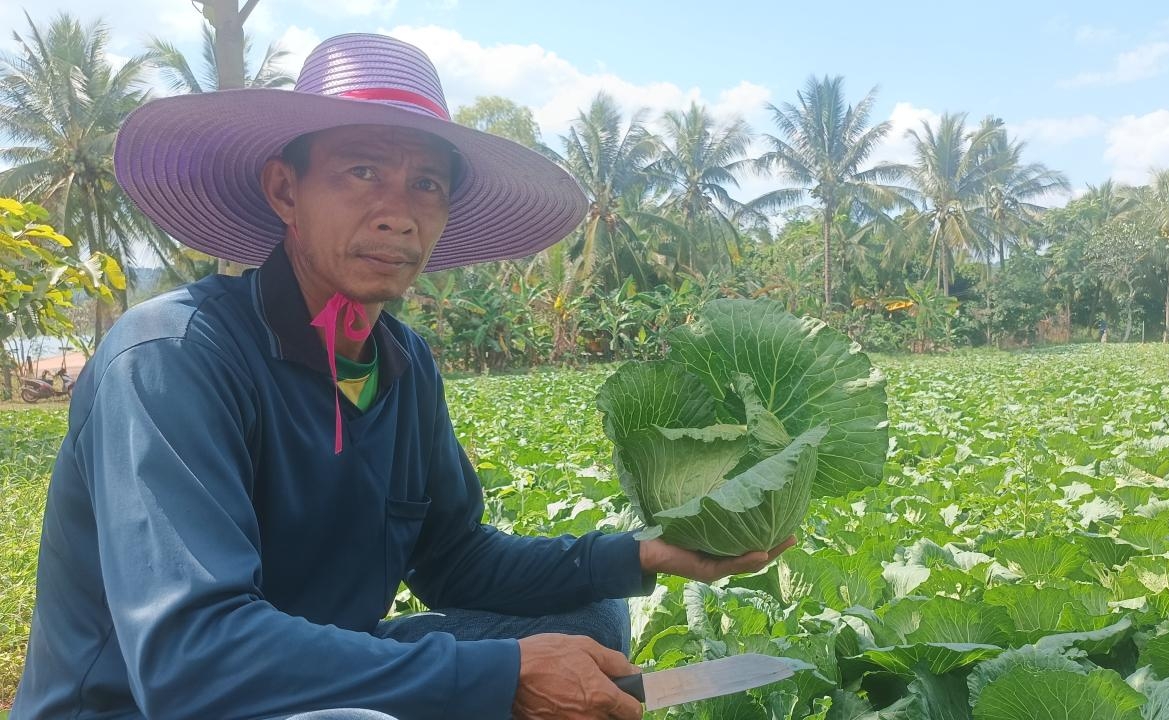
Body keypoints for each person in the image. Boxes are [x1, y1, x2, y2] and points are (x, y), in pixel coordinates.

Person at [12, 34, 791, 720]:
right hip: (151, 705)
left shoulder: (398, 362)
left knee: (588, 622)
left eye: (427, 184)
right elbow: (191, 660)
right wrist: (498, 677)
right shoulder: (176, 356)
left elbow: (457, 563)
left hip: (310, 668)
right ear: (285, 189)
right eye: (362, 171)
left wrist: (647, 553)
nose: (399, 212)